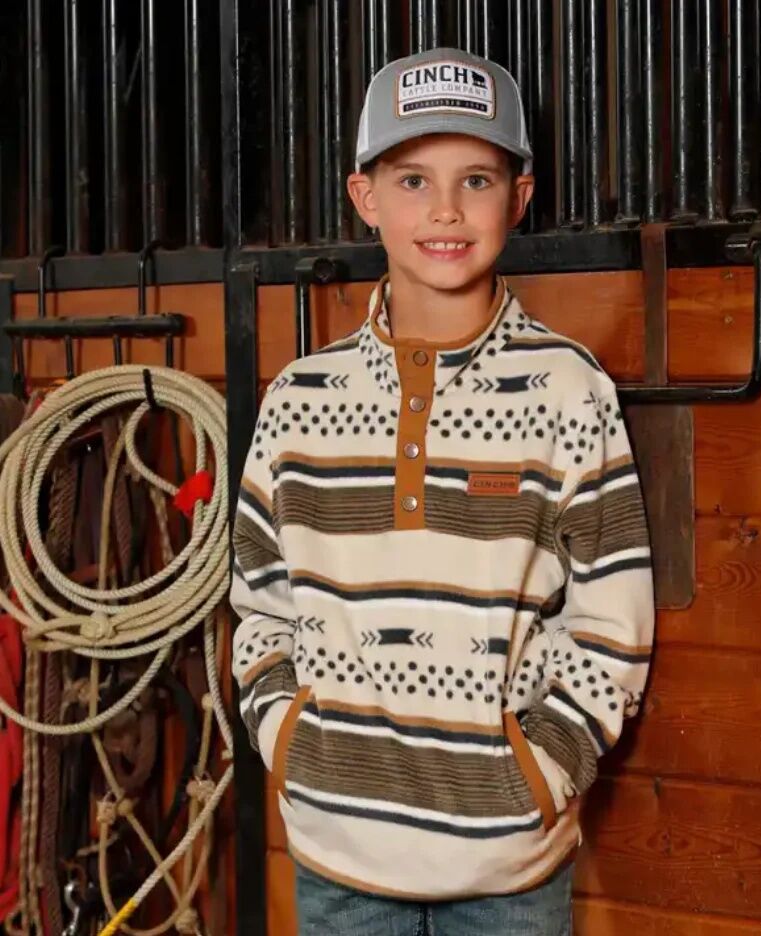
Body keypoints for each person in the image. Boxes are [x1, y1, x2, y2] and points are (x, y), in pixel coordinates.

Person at [230, 46, 654, 936]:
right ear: (365, 197)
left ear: (520, 197)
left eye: (478, 179)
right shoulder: (297, 398)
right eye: (413, 180)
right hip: (339, 856)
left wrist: (541, 770)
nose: (447, 209)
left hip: (510, 867)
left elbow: (612, 620)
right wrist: (291, 741)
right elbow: (260, 606)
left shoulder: (569, 389)